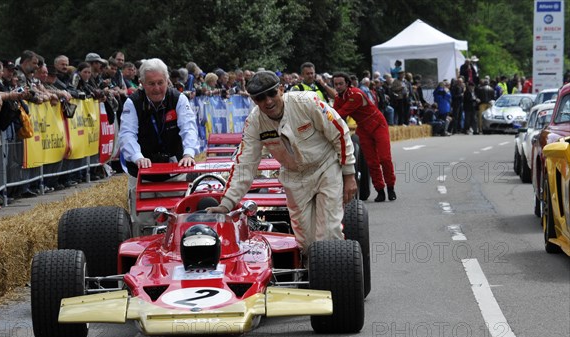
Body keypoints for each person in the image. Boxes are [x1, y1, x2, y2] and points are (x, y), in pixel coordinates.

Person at [206, 71, 357, 255]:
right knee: (305, 242)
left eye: (271, 94)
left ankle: (336, 279)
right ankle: (312, 275)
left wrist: (349, 174)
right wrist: (226, 204)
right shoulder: (254, 123)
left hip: (325, 167)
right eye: (260, 98)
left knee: (328, 235)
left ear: (281, 89)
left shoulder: (308, 102)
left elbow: (340, 133)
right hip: (294, 177)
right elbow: (245, 164)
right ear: (254, 100)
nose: (268, 101)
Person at [118, 58, 198, 235]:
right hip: (142, 174)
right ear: (142, 84)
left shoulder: (178, 99)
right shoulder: (133, 102)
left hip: (173, 172)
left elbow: (189, 128)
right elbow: (126, 134)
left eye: (160, 83)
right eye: (151, 84)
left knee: (176, 220)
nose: (156, 88)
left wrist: (189, 153)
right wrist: (137, 157)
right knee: (143, 224)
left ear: (167, 81)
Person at [332, 72, 396, 202]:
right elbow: (335, 116)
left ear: (347, 84)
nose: (338, 87)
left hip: (377, 124)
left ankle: (390, 187)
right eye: (336, 84)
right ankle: (380, 190)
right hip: (363, 128)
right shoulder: (339, 98)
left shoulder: (356, 94)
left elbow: (339, 115)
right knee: (371, 161)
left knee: (384, 158)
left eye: (340, 84)